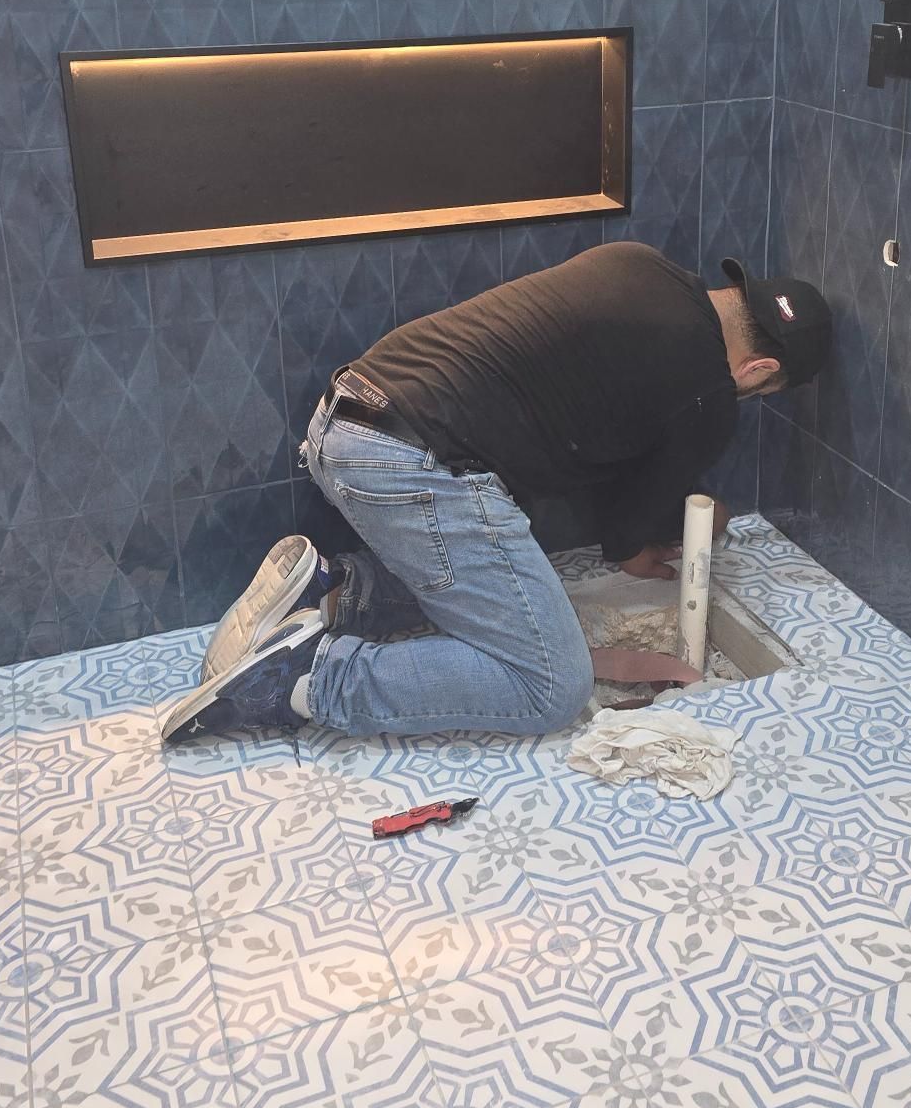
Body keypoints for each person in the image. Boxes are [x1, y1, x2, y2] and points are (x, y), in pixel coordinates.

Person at [162, 244, 831, 746]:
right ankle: (307, 678)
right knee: (550, 687)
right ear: (761, 369)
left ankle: (337, 594)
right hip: (409, 465)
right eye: (763, 389)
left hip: (343, 421)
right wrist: (695, 526)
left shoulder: (640, 263)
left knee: (515, 547)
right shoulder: (709, 391)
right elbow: (628, 542)